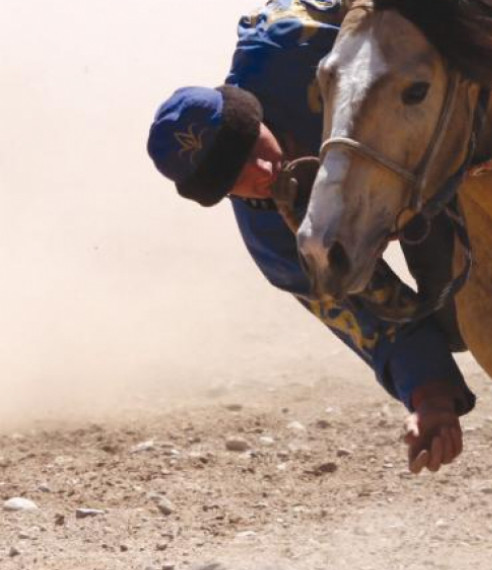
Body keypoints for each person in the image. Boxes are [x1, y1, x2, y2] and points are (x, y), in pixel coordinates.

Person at [146, 0, 470, 475]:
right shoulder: (274, 237)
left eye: (252, 145)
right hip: (428, 200)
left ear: (253, 112)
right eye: (235, 176)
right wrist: (429, 395)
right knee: (460, 309)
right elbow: (376, 318)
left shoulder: (284, 41)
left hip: (458, 90)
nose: (261, 170)